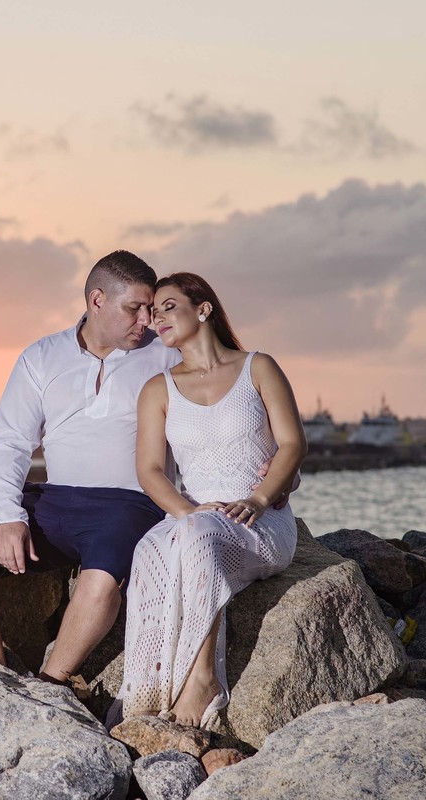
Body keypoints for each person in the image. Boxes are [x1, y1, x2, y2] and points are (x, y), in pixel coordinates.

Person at [0, 250, 180, 684]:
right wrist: (6, 516)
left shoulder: (167, 355)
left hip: (132, 504)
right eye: (134, 308)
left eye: (150, 307)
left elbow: (223, 400)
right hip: (58, 498)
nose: (147, 319)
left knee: (103, 577)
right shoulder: (41, 357)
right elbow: (10, 441)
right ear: (97, 300)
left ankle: (51, 686)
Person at [119, 272, 306, 727]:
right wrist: (185, 511)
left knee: (198, 538)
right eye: (151, 312)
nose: (155, 318)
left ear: (202, 308)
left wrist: (262, 497)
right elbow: (149, 470)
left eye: (167, 306)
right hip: (197, 513)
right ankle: (148, 687)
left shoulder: (257, 367)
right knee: (150, 549)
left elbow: (292, 444)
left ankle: (202, 678)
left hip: (260, 520)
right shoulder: (158, 389)